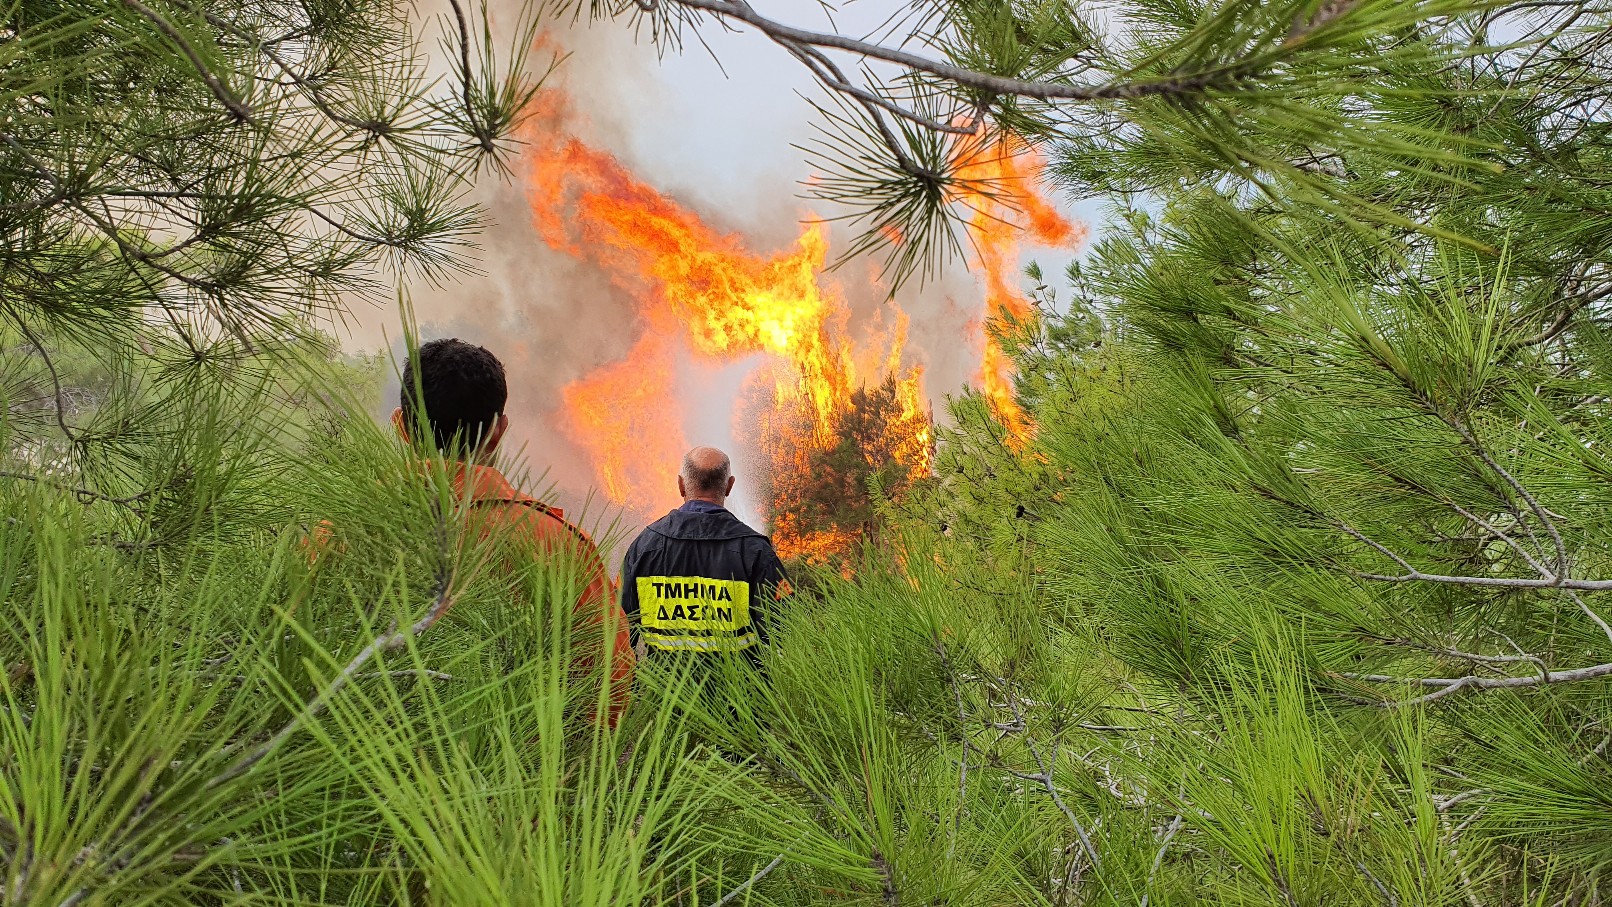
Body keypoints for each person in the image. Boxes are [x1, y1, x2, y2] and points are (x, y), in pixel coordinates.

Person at [393, 338, 633, 728]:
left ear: (402, 427)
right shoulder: (558, 546)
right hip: (520, 778)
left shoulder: (332, 534)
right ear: (497, 432)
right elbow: (609, 684)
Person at [619, 447, 788, 669]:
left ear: (681, 485)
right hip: (738, 700)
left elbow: (618, 632)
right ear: (729, 486)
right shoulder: (756, 550)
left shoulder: (645, 546)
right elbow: (782, 633)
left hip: (662, 697)